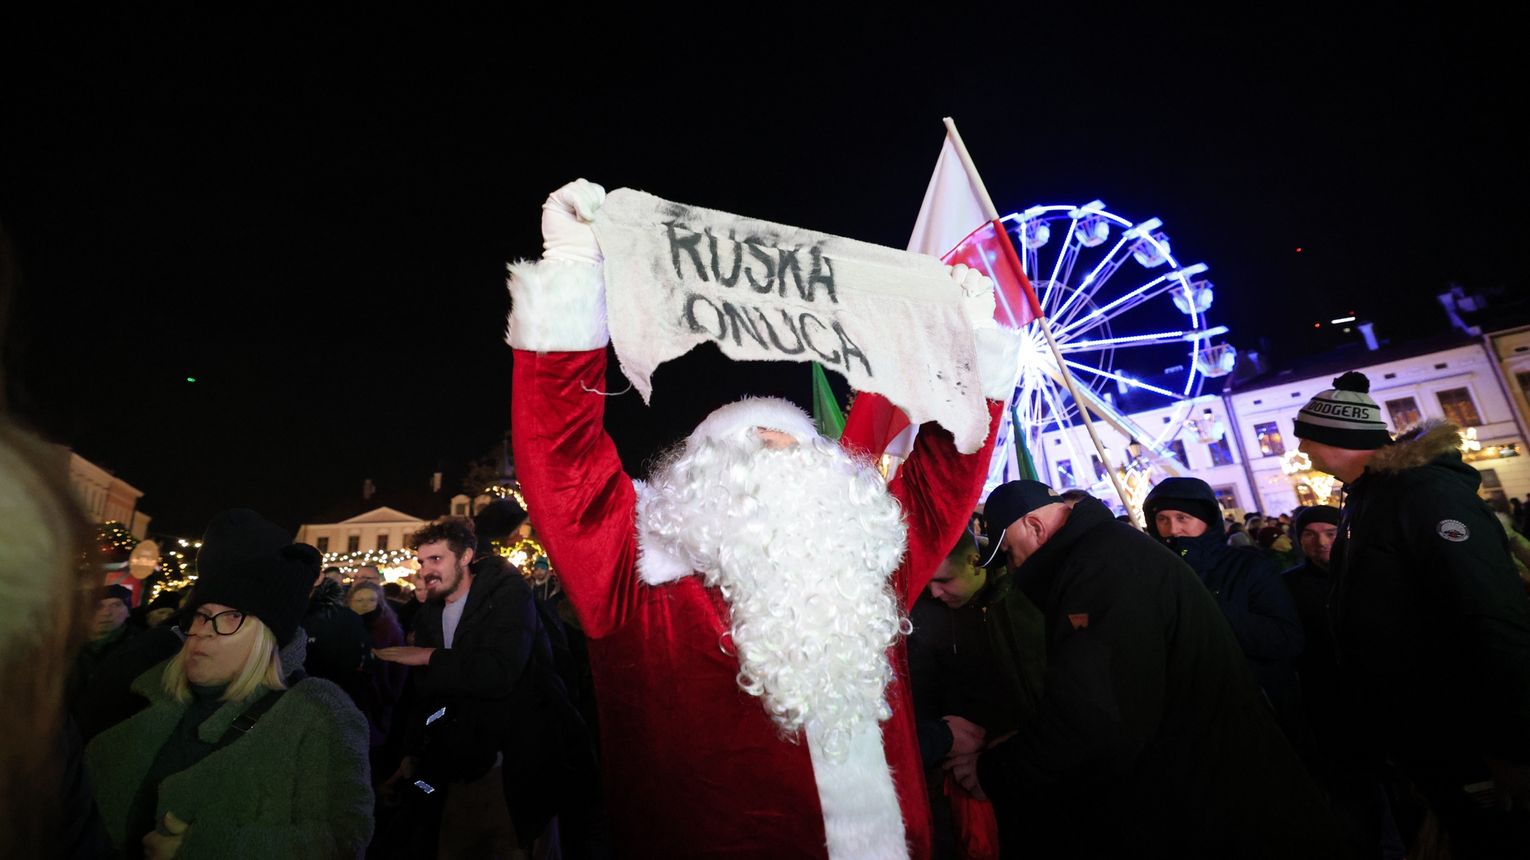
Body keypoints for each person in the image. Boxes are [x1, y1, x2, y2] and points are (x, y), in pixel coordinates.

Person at [507, 180, 1016, 858]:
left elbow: (953, 464)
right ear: (699, 482)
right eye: (751, 457)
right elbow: (563, 460)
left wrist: (972, 347)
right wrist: (572, 274)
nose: (778, 474)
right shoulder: (639, 574)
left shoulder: (865, 561)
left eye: (795, 454)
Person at [948, 480, 1339, 858]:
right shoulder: (1109, 552)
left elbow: (1092, 712)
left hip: (1209, 796)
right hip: (1210, 783)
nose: (1014, 569)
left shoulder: (1099, 568)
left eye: (1011, 554)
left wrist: (995, 772)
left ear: (1034, 527)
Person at [1294, 371, 1530, 854]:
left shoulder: (1423, 495)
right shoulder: (1367, 498)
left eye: (1307, 437)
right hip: (1417, 724)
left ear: (1338, 437)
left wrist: (1514, 740)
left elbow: (1486, 609)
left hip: (1458, 726)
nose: (1301, 450)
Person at [85, 508, 373, 858]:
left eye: (231, 617)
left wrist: (211, 849)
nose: (204, 632)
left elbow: (343, 841)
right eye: (201, 616)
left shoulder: (320, 712)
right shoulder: (144, 691)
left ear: (266, 636)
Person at [377, 517, 585, 860]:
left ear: (465, 557)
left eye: (437, 559)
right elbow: (431, 695)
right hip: (456, 771)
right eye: (422, 561)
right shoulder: (430, 612)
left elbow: (499, 673)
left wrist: (430, 656)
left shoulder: (507, 596)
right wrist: (413, 751)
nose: (427, 570)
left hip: (513, 771)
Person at [1143, 477, 1306, 740]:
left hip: (1252, 707)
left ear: (1207, 520)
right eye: (1163, 519)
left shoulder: (1249, 567)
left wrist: (1209, 604)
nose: (1172, 528)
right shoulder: (1152, 573)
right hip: (1185, 717)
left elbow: (1285, 639)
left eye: (1183, 518)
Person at [347, 580, 406, 776]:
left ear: (380, 602)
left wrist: (389, 694)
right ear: (349, 602)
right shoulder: (342, 627)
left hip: (379, 700)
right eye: (359, 600)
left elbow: (398, 669)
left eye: (371, 600)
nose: (365, 604)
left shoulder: (390, 629)